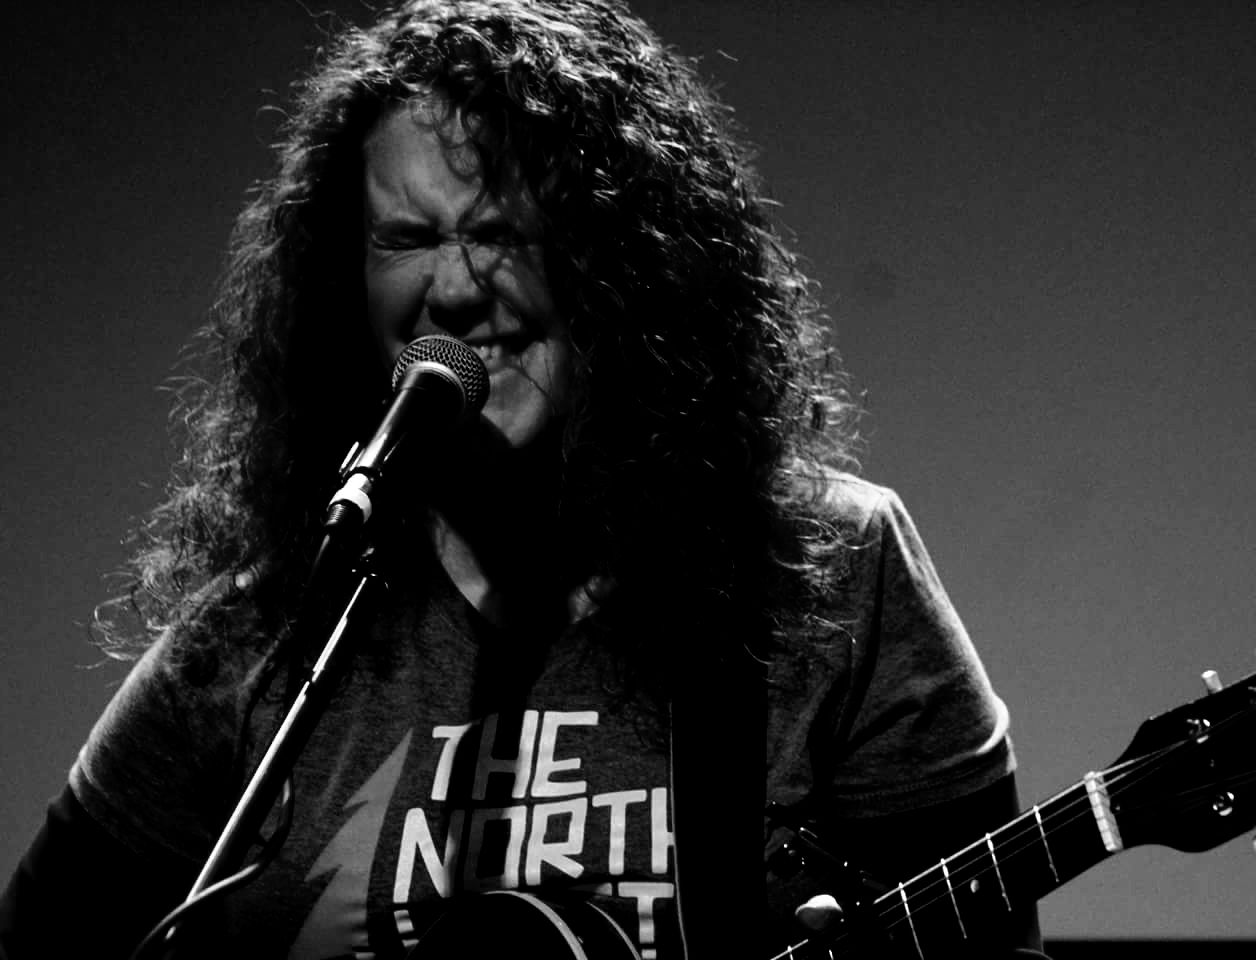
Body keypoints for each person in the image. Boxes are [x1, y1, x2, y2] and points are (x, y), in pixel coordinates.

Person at [0, 2, 1047, 957]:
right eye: (407, 238)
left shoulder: (825, 573)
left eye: (498, 231)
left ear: (618, 261)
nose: (453, 290)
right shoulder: (270, 629)